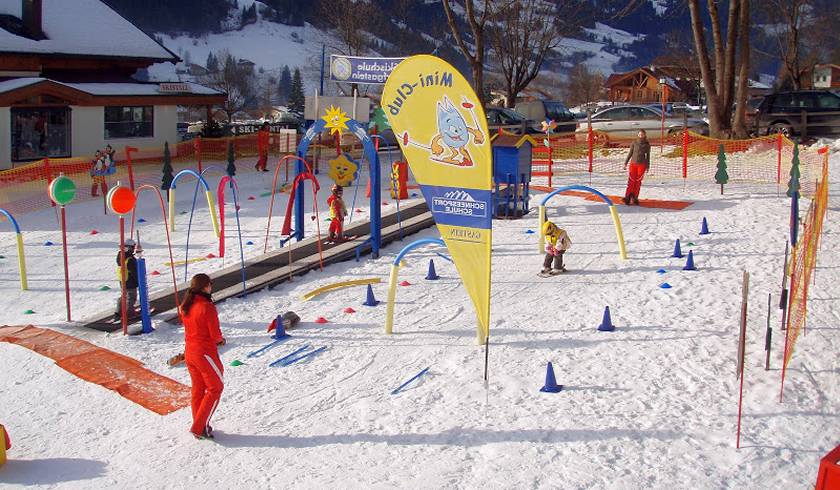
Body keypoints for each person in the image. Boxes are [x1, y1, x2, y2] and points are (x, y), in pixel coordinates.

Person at [180, 273, 225, 440]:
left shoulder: (186, 304)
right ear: (206, 286)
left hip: (190, 351)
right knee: (215, 387)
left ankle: (199, 423)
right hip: (204, 352)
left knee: (198, 389)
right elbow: (215, 334)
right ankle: (199, 426)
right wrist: (221, 340)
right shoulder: (206, 306)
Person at [113, 238, 140, 320]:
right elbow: (134, 272)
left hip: (123, 279)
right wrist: (138, 281)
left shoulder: (121, 255)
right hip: (130, 280)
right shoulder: (130, 259)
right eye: (132, 247)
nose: (133, 249)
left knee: (124, 296)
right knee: (131, 297)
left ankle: (119, 311)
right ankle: (129, 313)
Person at [623, 129, 651, 205]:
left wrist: (648, 166)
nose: (641, 135)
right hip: (633, 164)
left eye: (642, 134)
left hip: (642, 165)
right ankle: (627, 197)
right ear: (638, 135)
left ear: (645, 135)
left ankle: (635, 197)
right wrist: (625, 163)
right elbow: (630, 153)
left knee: (638, 182)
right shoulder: (634, 143)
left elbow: (648, 156)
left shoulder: (647, 144)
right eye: (640, 134)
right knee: (631, 181)